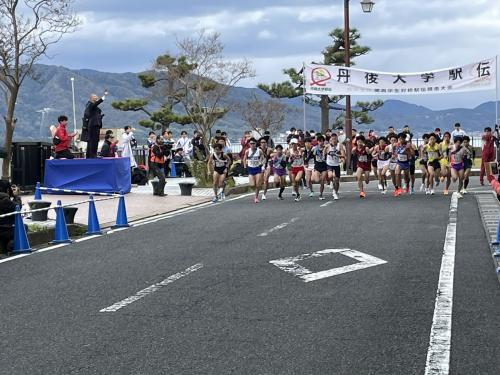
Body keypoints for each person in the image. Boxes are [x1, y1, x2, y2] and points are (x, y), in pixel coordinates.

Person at [84, 90, 107, 158]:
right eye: (94, 96)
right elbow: (95, 105)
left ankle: (90, 154)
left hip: (95, 124)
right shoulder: (90, 104)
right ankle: (93, 155)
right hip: (93, 124)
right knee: (93, 140)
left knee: (92, 140)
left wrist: (100, 116)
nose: (96, 97)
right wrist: (102, 98)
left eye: (96, 96)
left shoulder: (92, 105)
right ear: (91, 98)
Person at [242, 138, 265, 203]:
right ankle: (256, 191)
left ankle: (256, 197)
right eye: (251, 143)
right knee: (252, 185)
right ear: (249, 144)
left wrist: (262, 165)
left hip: (257, 168)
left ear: (256, 144)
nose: (252, 145)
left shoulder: (259, 151)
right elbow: (244, 159)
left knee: (258, 184)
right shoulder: (247, 151)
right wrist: (244, 167)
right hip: (250, 168)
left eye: (253, 143)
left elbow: (263, 158)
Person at [324, 133, 345, 200]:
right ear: (331, 139)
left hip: (336, 164)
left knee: (337, 180)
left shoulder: (340, 145)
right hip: (329, 164)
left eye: (335, 139)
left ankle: (335, 192)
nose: (334, 140)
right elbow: (324, 152)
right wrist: (324, 154)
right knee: (330, 176)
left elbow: (343, 155)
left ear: (337, 139)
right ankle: (330, 183)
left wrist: (339, 156)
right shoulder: (328, 146)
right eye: (332, 139)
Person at [0, 180, 17, 254]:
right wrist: (16, 196)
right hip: (5, 229)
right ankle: (10, 247)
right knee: (24, 227)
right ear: (7, 189)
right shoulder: (5, 200)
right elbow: (17, 207)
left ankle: (3, 249)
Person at [312, 135, 328, 200]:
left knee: (322, 181)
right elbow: (311, 155)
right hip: (317, 166)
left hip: (324, 166)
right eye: (319, 141)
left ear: (323, 142)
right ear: (317, 142)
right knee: (317, 180)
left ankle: (320, 194)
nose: (321, 142)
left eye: (322, 141)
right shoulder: (314, 148)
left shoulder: (326, 148)